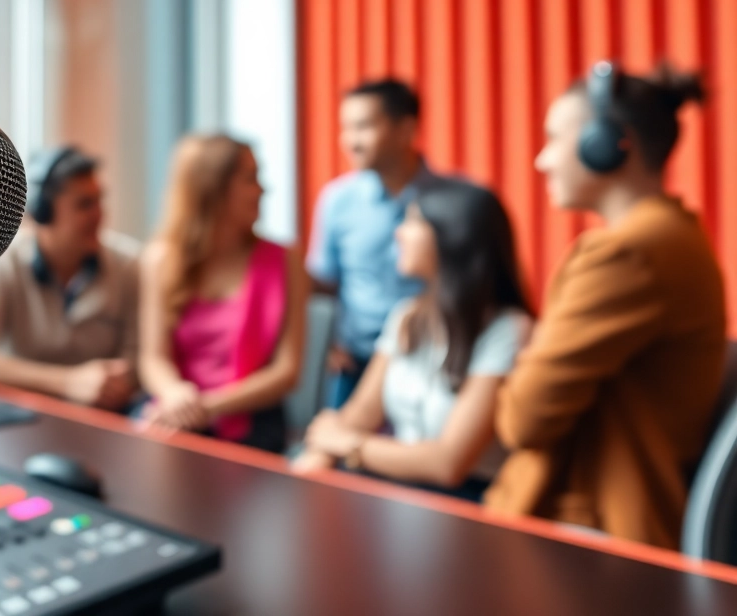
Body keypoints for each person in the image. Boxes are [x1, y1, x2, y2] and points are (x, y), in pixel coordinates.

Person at [485, 63, 726, 549]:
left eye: (554, 139)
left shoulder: (628, 252)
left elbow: (521, 421)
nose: (542, 160)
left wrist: (528, 355)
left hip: (587, 531)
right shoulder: (673, 235)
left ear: (611, 143)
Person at [293, 180, 533, 499]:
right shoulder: (407, 315)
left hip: (467, 505)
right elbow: (362, 412)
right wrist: (319, 456)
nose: (398, 232)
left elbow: (448, 463)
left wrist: (349, 445)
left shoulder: (510, 331)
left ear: (452, 237)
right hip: (400, 493)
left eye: (412, 221)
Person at [136, 135, 307, 453]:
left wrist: (207, 407)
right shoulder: (159, 259)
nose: (262, 190)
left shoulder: (286, 260)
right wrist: (174, 394)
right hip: (175, 409)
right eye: (249, 179)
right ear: (212, 190)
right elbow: (153, 358)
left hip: (253, 421)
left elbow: (287, 371)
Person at [0, 146, 140, 410]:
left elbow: (138, 361)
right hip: (20, 417)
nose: (100, 214)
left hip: (100, 418)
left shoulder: (129, 264)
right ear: (42, 211)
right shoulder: (3, 261)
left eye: (99, 200)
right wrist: (67, 382)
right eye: (85, 204)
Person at [308, 79, 438, 409]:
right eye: (346, 128)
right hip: (356, 365)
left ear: (406, 129)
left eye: (363, 127)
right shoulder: (337, 200)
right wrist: (329, 341)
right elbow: (324, 280)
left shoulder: (449, 202)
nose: (350, 141)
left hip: (429, 361)